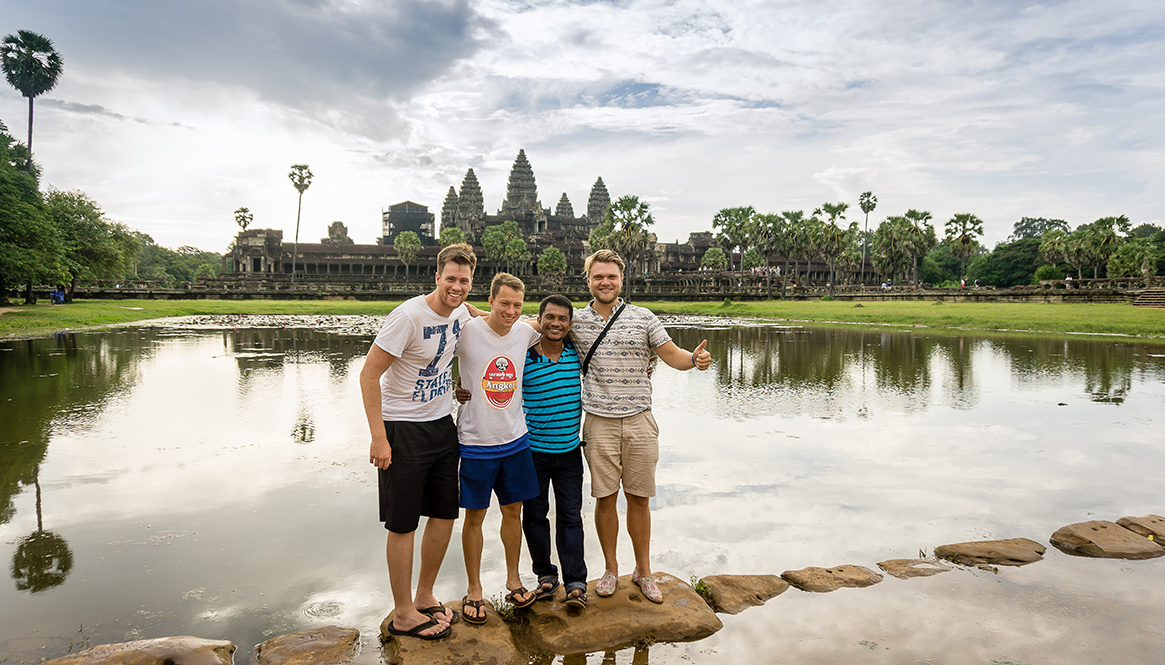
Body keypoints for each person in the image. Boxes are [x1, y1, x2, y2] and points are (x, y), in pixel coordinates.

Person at [572, 249, 711, 603]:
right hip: (599, 422)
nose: (605, 282)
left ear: (621, 280)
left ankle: (644, 571)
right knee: (604, 499)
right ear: (588, 280)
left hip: (639, 420)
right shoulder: (575, 321)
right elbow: (530, 326)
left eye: (612, 277)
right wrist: (479, 313)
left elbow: (672, 354)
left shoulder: (643, 317)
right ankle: (609, 569)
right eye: (598, 276)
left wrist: (694, 361)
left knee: (639, 498)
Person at [358, 242, 476, 641]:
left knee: (444, 514)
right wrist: (379, 437)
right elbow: (368, 376)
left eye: (463, 281)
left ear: (469, 283)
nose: (456, 287)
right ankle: (403, 611)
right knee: (403, 522)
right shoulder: (407, 317)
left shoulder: (461, 310)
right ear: (437, 277)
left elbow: (496, 320)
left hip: (442, 426)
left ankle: (424, 595)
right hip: (402, 429)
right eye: (450, 279)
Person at [454, 273, 542, 624]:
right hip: (476, 440)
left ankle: (513, 578)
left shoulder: (525, 331)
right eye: (504, 303)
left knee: (512, 512)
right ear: (490, 301)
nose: (510, 311)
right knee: (474, 516)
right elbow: (432, 358)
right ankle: (474, 589)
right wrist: (453, 387)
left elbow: (557, 322)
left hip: (515, 439)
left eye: (517, 305)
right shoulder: (467, 330)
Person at [520, 294, 588, 609]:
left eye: (562, 319)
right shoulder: (523, 356)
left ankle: (576, 582)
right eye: (550, 317)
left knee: (571, 516)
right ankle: (545, 576)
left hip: (570, 451)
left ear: (570, 324)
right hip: (532, 452)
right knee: (534, 515)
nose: (556, 323)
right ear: (540, 319)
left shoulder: (576, 354)